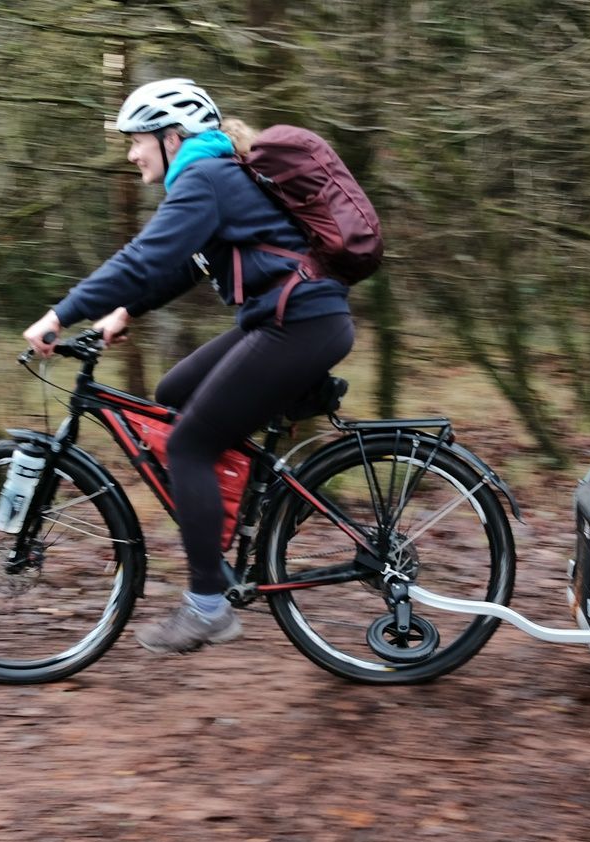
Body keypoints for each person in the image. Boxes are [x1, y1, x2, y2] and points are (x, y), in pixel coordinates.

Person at [23, 78, 355, 654]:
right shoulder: (217, 175)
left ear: (172, 136)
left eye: (137, 140)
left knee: (188, 447)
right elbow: (186, 265)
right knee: (173, 393)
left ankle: (208, 607)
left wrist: (61, 313)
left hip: (297, 325)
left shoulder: (206, 176)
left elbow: (145, 255)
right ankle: (254, 510)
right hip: (288, 321)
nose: (131, 153)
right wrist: (124, 312)